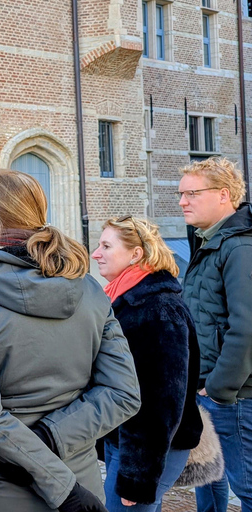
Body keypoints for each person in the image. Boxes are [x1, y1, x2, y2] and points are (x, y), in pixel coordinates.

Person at [0, 170, 141, 512]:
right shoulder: (90, 289)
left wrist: (48, 452)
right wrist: (54, 445)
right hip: (75, 478)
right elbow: (121, 393)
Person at [91, 215, 203, 512]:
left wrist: (138, 477)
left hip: (148, 450)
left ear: (136, 253)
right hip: (127, 440)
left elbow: (160, 400)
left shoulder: (157, 309)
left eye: (105, 246)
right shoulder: (125, 298)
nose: (95, 254)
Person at [178, 157, 252, 512]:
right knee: (206, 477)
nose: (182, 201)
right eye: (181, 194)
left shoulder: (238, 247)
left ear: (224, 195)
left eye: (192, 193)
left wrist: (220, 387)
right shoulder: (209, 241)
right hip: (204, 387)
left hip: (232, 396)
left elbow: (247, 327)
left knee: (247, 487)